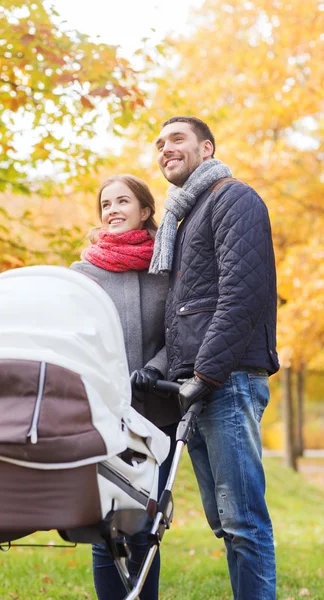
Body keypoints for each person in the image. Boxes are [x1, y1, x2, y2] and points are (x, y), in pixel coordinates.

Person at [135, 116, 280, 600]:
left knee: (243, 521)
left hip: (226, 378)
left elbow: (242, 295)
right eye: (159, 144)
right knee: (225, 521)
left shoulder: (232, 198)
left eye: (177, 140)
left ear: (207, 148)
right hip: (195, 384)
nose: (165, 149)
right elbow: (184, 313)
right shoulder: (183, 216)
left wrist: (205, 373)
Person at [71, 174, 181, 600]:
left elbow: (179, 332)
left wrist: (155, 368)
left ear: (145, 210)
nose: (112, 210)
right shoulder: (83, 272)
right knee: (107, 527)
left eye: (123, 201)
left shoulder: (166, 268)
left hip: (157, 409)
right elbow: (75, 337)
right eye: (106, 204)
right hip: (103, 412)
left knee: (145, 529)